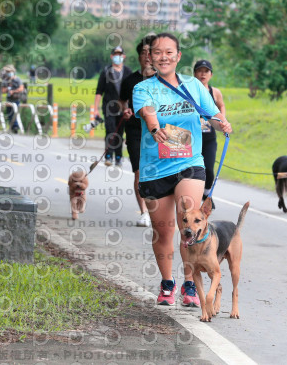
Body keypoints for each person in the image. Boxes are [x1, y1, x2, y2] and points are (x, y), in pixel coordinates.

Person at [132, 33, 232, 307]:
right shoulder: (143, 88)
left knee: (188, 218)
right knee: (163, 231)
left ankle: (190, 281)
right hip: (155, 168)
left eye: (169, 52)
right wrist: (154, 129)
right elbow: (148, 112)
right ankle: (167, 284)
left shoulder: (193, 86)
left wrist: (222, 122)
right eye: (157, 53)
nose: (163, 57)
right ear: (150, 57)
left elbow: (211, 112)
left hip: (189, 162)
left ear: (178, 56)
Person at [120, 35, 157, 227]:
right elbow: (122, 103)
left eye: (151, 52)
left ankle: (158, 209)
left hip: (158, 131)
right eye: (144, 53)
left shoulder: (162, 80)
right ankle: (144, 212)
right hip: (135, 131)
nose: (147, 56)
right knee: (138, 172)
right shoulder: (129, 80)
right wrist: (125, 111)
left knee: (158, 171)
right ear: (139, 57)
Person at [194, 59, 226, 209]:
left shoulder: (215, 92)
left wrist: (223, 120)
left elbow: (221, 105)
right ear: (194, 73)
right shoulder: (189, 91)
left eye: (206, 71)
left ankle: (206, 193)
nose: (202, 74)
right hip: (192, 138)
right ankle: (194, 196)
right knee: (193, 170)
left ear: (211, 74)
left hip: (209, 138)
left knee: (209, 169)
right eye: (199, 71)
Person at [94, 46, 132, 166]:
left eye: (120, 54)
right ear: (111, 56)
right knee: (110, 130)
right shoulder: (106, 72)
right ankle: (108, 156)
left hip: (124, 107)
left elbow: (132, 91)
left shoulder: (128, 72)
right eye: (115, 54)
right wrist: (95, 109)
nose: (118, 57)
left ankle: (119, 157)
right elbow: (99, 91)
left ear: (123, 56)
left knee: (120, 132)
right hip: (109, 107)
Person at [1, 64, 25, 133]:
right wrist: (8, 89)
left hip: (16, 99)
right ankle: (12, 127)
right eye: (7, 72)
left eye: (9, 71)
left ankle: (15, 127)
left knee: (15, 113)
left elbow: (21, 88)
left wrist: (14, 91)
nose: (8, 73)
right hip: (9, 100)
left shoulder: (17, 79)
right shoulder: (5, 80)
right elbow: (3, 90)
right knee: (9, 114)